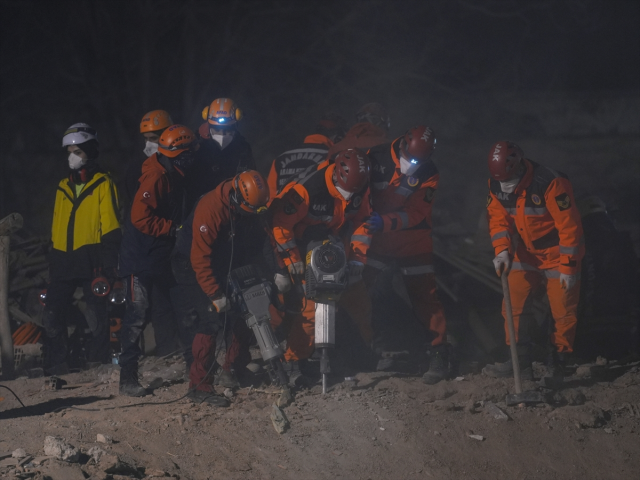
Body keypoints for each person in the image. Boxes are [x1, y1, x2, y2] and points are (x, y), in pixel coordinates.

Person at [270, 148, 374, 385]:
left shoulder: (361, 187)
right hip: (305, 251)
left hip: (338, 249)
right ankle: (294, 362)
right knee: (311, 310)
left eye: (353, 192)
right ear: (337, 175)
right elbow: (280, 226)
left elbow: (363, 222)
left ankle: (361, 354)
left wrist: (358, 258)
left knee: (358, 301)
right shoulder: (307, 189)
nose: (348, 197)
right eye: (345, 191)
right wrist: (292, 260)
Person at [483, 141, 584, 382]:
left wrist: (569, 266)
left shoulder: (550, 182)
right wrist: (502, 251)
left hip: (557, 255)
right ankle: (520, 361)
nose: (506, 188)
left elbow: (570, 227)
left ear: (518, 167)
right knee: (513, 306)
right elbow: (498, 221)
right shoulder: (496, 185)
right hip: (524, 253)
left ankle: (558, 363)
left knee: (563, 311)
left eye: (509, 182)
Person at [172, 171, 270, 405]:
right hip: (191, 265)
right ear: (237, 198)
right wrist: (215, 295)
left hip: (220, 259)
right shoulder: (211, 209)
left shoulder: (246, 205)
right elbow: (200, 258)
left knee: (243, 308)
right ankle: (199, 385)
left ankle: (233, 369)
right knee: (211, 320)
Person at [364, 126, 449, 384]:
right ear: (401, 144)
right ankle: (366, 349)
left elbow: (416, 213)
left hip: (413, 241)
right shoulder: (374, 157)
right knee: (361, 291)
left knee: (425, 297)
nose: (413, 165)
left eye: (419, 161)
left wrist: (385, 222)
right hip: (376, 241)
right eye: (411, 158)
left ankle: (438, 354)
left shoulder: (429, 172)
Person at [118, 125, 198, 396]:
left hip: (161, 256)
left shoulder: (173, 173)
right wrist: (172, 229)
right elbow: (139, 218)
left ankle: (195, 369)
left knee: (186, 312)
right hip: (140, 258)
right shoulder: (157, 177)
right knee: (135, 317)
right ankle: (127, 379)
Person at [43, 123, 121, 374]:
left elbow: (110, 225)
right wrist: (52, 259)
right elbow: (56, 226)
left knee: (96, 316)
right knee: (52, 314)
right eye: (69, 151)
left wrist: (110, 264)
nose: (72, 157)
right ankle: (57, 365)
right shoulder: (62, 187)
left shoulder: (102, 183)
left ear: (90, 152)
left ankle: (98, 364)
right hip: (63, 260)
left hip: (93, 260)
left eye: (77, 151)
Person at [187, 98, 255, 208]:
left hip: (230, 207)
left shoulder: (243, 149)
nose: (222, 134)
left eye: (227, 130)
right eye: (217, 129)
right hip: (197, 205)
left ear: (235, 127)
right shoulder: (195, 145)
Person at [266, 114, 346, 197]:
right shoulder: (333, 158)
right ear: (337, 138)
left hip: (282, 209)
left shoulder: (280, 159)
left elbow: (270, 199)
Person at [125, 110, 174, 203]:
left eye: (153, 138)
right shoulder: (136, 169)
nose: (148, 144)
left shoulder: (178, 165)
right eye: (146, 139)